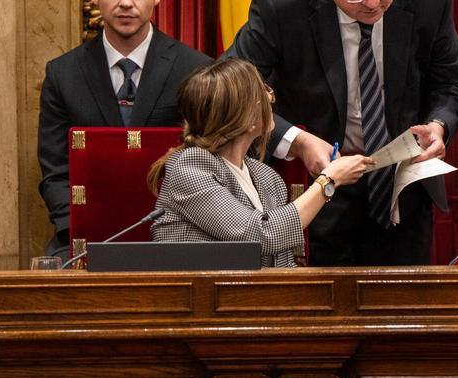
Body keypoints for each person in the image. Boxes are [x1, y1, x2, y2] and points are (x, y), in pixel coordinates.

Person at [224, 0, 458, 265]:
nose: (372, 3)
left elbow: (449, 82)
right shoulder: (281, 2)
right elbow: (230, 89)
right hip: (317, 189)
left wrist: (439, 125)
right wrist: (299, 142)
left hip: (404, 189)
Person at [37, 0, 211, 258]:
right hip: (85, 238)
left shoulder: (197, 70)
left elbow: (212, 165)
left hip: (177, 235)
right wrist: (85, 231)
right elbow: (55, 175)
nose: (126, 2)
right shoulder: (63, 75)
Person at [148, 59, 372, 266]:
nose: (270, 98)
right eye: (263, 91)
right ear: (242, 115)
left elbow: (282, 260)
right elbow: (261, 235)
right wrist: (328, 182)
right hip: (203, 302)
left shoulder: (266, 176)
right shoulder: (190, 168)